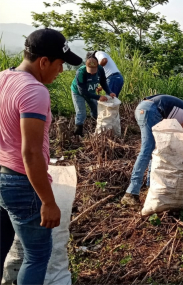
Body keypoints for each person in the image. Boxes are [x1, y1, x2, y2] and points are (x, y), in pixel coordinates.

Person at [0, 28, 82, 284]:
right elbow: (31, 152)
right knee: (36, 255)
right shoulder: (34, 91)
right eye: (59, 65)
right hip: (21, 183)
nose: (61, 71)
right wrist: (48, 201)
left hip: (1, 177)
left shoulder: (3, 78)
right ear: (43, 62)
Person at [121, 94, 183, 209]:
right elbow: (181, 132)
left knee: (155, 150)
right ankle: (131, 193)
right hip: (150, 109)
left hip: (145, 108)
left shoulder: (178, 111)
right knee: (147, 149)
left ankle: (151, 186)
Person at [71, 56, 116, 136]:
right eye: (90, 71)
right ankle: (78, 133)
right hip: (78, 92)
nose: (92, 73)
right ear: (86, 66)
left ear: (97, 67)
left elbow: (103, 82)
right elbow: (82, 92)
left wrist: (109, 92)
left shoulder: (100, 69)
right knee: (81, 112)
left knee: (96, 109)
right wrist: (99, 97)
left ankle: (97, 126)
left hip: (90, 91)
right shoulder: (81, 72)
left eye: (94, 71)